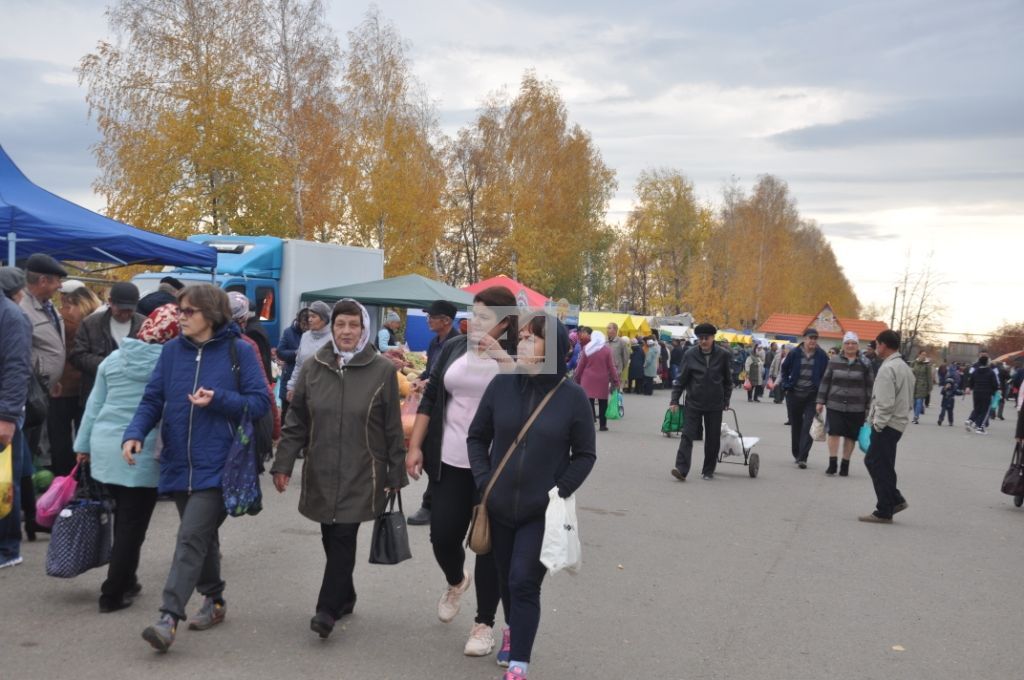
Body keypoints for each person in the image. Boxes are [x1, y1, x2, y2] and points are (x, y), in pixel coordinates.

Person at [122, 284, 270, 652]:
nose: (180, 317)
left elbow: (260, 402)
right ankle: (215, 600)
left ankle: (168, 617)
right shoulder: (172, 352)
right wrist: (135, 432)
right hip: (177, 461)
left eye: (188, 311)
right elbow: (153, 397)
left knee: (189, 537)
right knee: (202, 537)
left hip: (221, 464)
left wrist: (218, 400)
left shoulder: (240, 351)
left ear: (212, 314)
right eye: (179, 310)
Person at [467, 314, 596, 680]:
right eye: (520, 338)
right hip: (499, 505)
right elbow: (477, 437)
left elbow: (585, 455)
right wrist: (484, 478)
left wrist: (559, 491)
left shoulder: (573, 398)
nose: (520, 344)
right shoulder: (501, 386)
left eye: (530, 339)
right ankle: (512, 630)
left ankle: (519, 662)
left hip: (541, 511)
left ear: (551, 348)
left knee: (524, 580)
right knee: (507, 577)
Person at [271, 298, 407, 639]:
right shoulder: (315, 366)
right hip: (322, 468)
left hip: (363, 470)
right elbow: (296, 419)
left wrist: (396, 472)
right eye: (340, 325)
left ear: (364, 329)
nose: (346, 331)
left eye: (353, 325)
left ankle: (327, 609)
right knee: (330, 535)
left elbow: (392, 426)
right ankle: (344, 596)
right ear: (332, 329)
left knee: (344, 535)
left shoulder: (382, 370)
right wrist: (283, 462)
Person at [405, 286, 518, 658]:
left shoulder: (521, 350)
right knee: (442, 537)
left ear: (506, 321)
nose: (476, 323)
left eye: (486, 317)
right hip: (450, 459)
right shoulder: (454, 347)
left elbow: (529, 393)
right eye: (475, 315)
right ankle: (456, 581)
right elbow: (433, 394)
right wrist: (416, 446)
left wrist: (500, 353)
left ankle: (483, 624)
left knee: (487, 546)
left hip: (495, 466)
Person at [73, 304, 181, 612]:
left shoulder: (115, 358)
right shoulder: (172, 365)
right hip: (140, 452)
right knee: (131, 527)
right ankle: (113, 592)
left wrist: (83, 446)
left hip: (105, 448)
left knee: (122, 519)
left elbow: (95, 405)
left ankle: (128, 579)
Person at [18, 253, 69, 538]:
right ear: (42, 280)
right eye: (56, 281)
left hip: (43, 390)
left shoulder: (47, 306)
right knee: (23, 455)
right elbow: (20, 353)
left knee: (30, 454)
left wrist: (54, 379)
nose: (59, 286)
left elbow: (50, 346)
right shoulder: (22, 308)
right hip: (26, 392)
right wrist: (38, 382)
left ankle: (29, 515)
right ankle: (27, 516)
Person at [408, 299, 462, 526]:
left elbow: (451, 376)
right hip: (432, 403)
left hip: (450, 408)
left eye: (432, 316)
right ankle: (434, 503)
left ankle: (430, 505)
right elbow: (431, 370)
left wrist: (429, 381)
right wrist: (420, 379)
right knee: (432, 454)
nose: (428, 320)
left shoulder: (459, 344)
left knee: (441, 456)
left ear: (446, 321)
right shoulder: (434, 342)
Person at [859, 330, 914, 524]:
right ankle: (894, 500)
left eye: (877, 344)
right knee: (883, 464)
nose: (876, 348)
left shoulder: (887, 369)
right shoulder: (904, 367)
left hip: (887, 423)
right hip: (898, 422)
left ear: (883, 345)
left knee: (876, 462)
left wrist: (877, 425)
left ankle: (885, 508)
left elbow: (884, 402)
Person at [48, 284, 102, 477]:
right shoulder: (99, 320)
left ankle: (64, 477)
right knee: (85, 433)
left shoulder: (61, 318)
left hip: (62, 384)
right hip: (88, 386)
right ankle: (85, 477)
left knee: (60, 435)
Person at [669, 322, 733, 481]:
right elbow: (681, 379)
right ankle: (681, 470)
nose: (703, 341)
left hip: (715, 404)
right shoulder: (690, 354)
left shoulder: (723, 355)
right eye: (700, 338)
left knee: (712, 438)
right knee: (687, 436)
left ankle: (708, 470)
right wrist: (674, 400)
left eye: (707, 338)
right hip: (694, 403)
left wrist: (726, 400)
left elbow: (728, 381)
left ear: (713, 338)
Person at [0, 267, 33, 569]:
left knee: (4, 482)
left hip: (3, 412)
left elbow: (15, 367)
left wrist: (7, 416)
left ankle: (8, 548)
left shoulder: (11, 315)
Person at [69, 281, 146, 406]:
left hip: (130, 397)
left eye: (130, 310)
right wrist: (109, 364)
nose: (125, 314)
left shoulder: (145, 325)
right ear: (110, 301)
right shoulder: (90, 323)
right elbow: (77, 356)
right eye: (121, 309)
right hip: (95, 395)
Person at [815, 331, 873, 476]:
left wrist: (869, 406)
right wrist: (820, 401)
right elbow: (825, 381)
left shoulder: (865, 363)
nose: (850, 346)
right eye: (847, 343)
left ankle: (845, 464)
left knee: (850, 435)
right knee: (833, 432)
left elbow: (870, 386)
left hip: (856, 406)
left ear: (858, 345)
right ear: (843, 345)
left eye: (853, 343)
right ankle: (832, 463)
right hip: (835, 404)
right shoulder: (834, 360)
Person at [780, 328, 830, 469]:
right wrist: (786, 384)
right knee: (796, 426)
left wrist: (822, 396)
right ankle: (797, 453)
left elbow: (827, 375)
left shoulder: (821, 356)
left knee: (808, 426)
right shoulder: (794, 353)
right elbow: (784, 369)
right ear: (804, 339)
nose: (813, 340)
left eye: (815, 338)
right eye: (810, 338)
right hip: (794, 394)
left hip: (812, 396)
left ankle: (803, 457)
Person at [574, 330, 620, 431]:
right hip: (602, 379)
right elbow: (611, 367)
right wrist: (616, 380)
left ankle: (590, 422)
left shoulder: (587, 348)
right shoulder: (607, 350)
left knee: (588, 402)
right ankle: (603, 425)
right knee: (603, 402)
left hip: (587, 379)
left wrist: (576, 378)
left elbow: (580, 366)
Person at [286, 300, 332, 400]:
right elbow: (299, 364)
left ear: (324, 319)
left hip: (325, 393)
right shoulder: (305, 336)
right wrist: (292, 386)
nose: (309, 320)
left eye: (314, 317)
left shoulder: (333, 339)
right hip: (303, 390)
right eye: (309, 316)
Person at [276, 308, 308, 423]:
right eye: (303, 324)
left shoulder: (313, 335)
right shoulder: (288, 332)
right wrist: (295, 353)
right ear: (298, 321)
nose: (306, 327)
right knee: (287, 413)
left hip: (307, 380)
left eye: (308, 324)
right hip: (289, 376)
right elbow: (280, 352)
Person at [965, 354, 1000, 435]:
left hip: (976, 392)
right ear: (987, 362)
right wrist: (997, 391)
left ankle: (970, 421)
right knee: (985, 410)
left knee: (977, 408)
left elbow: (971, 382)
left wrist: (969, 388)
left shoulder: (975, 371)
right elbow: (995, 384)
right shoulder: (991, 372)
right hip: (986, 393)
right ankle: (980, 428)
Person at [910, 350, 933, 424]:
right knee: (914, 402)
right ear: (919, 355)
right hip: (914, 384)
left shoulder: (927, 365)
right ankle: (915, 414)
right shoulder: (914, 363)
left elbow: (929, 377)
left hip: (923, 385)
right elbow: (909, 373)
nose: (923, 356)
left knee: (919, 401)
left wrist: (930, 387)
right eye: (922, 354)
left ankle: (916, 417)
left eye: (925, 355)